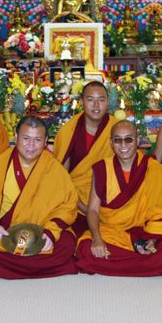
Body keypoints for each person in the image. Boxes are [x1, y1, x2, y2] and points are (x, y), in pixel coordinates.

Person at [0, 116, 78, 279]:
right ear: (15, 138)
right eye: (26, 138)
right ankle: (38, 267)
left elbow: (68, 205)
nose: (31, 145)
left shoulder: (53, 168)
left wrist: (50, 232)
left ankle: (10, 266)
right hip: (7, 234)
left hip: (41, 231)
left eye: (37, 139)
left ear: (45, 142)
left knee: (67, 243)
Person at [76, 120, 162, 276]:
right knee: (85, 248)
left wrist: (152, 239)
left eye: (129, 139)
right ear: (111, 143)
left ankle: (131, 259)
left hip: (146, 231)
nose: (123, 145)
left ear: (137, 140)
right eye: (118, 140)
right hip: (113, 232)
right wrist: (97, 238)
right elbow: (92, 210)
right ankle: (144, 262)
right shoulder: (102, 169)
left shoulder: (153, 169)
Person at [54, 81, 118, 236]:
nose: (96, 105)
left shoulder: (116, 130)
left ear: (108, 102)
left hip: (110, 201)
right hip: (76, 203)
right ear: (81, 102)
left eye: (101, 100)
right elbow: (61, 179)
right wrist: (84, 207)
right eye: (90, 100)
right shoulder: (68, 131)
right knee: (66, 236)